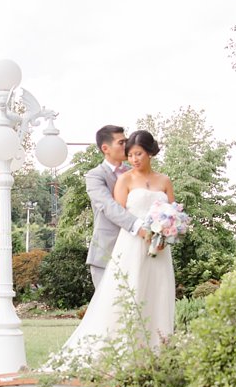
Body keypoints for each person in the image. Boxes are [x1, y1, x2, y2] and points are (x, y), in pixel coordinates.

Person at [58, 129, 176, 360]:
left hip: (157, 249)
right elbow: (112, 209)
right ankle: (115, 358)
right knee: (115, 307)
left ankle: (155, 355)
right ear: (106, 147)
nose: (128, 152)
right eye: (123, 144)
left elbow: (171, 210)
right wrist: (142, 228)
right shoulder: (99, 176)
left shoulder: (161, 179)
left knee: (155, 298)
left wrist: (168, 231)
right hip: (120, 248)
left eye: (135, 150)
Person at [84, 125, 149, 289]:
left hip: (136, 249)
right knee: (108, 309)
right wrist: (139, 226)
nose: (127, 146)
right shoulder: (95, 176)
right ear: (105, 148)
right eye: (121, 142)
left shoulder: (135, 172)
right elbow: (109, 206)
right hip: (107, 251)